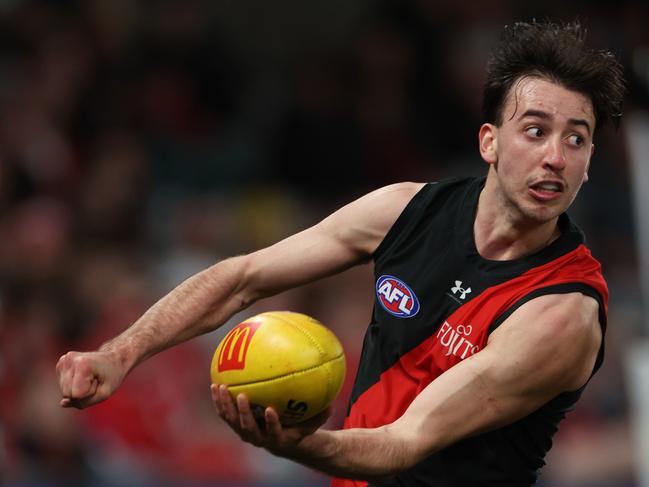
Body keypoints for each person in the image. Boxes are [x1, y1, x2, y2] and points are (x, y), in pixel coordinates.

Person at [57, 20, 626, 486]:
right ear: (489, 141)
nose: (555, 156)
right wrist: (118, 354)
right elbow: (242, 278)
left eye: (575, 138)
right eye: (535, 130)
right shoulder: (406, 211)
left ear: (588, 160)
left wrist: (294, 445)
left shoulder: (561, 314)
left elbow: (404, 443)